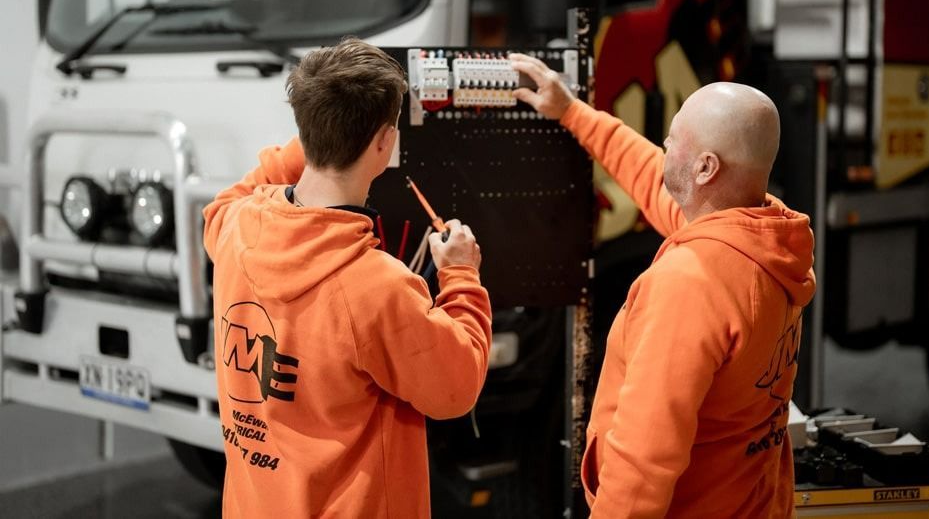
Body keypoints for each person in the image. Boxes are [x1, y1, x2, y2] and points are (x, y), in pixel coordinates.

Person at [511, 53, 815, 518]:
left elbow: (643, 461)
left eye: (674, 142)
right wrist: (573, 112)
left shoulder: (690, 283)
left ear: (706, 168)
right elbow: (651, 176)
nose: (664, 147)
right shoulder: (763, 244)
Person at [203, 38, 492, 518]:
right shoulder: (376, 286)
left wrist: (320, 125)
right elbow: (455, 389)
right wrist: (461, 275)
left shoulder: (235, 228)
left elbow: (228, 200)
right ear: (384, 143)